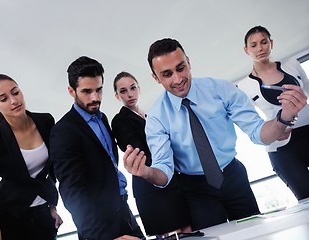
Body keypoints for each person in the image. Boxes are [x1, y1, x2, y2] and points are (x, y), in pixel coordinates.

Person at [123, 38, 307, 230]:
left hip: (233, 175)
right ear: (156, 78)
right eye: (167, 74)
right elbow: (164, 171)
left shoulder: (220, 90)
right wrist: (146, 172)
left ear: (188, 62)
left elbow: (258, 133)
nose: (177, 79)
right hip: (196, 189)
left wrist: (283, 118)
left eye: (181, 68)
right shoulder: (156, 117)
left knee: (255, 231)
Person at [50, 57, 144, 240]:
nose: (95, 98)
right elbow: (72, 192)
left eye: (99, 90)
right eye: (86, 91)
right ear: (71, 91)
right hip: (99, 226)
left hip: (123, 210)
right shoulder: (63, 131)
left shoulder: (102, 119)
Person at [0, 74, 63, 240]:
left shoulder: (46, 121)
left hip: (45, 216)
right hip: (10, 217)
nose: (14, 100)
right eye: (3, 99)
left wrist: (52, 204)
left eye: (15, 92)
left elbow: (52, 169)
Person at [111, 71, 192, 237]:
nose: (130, 94)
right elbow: (137, 151)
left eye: (132, 88)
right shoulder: (120, 120)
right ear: (117, 96)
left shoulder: (148, 116)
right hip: (148, 182)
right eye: (123, 91)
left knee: (187, 230)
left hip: (169, 179)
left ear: (139, 89)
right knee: (172, 233)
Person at [237, 25, 309, 200]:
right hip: (282, 148)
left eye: (264, 42)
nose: (260, 48)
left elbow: (307, 92)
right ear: (246, 50)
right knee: (306, 197)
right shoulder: (244, 86)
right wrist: (275, 130)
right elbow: (252, 125)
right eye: (253, 45)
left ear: (271, 43)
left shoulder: (291, 64)